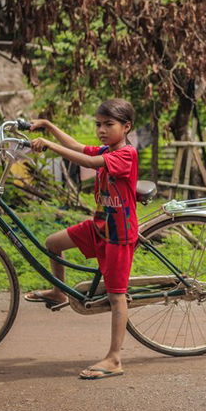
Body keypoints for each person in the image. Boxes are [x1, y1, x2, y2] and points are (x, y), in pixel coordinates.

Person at [24, 98, 139, 380]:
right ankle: (59, 292)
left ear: (126, 127)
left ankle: (114, 358)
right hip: (99, 226)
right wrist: (49, 127)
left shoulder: (125, 155)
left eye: (108, 125)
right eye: (98, 124)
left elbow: (88, 161)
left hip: (119, 234)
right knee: (53, 243)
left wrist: (49, 145)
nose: (101, 130)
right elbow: (78, 147)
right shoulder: (107, 148)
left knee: (116, 296)